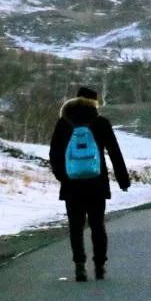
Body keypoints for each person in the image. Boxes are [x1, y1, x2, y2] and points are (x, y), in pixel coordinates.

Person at [49, 87, 130, 282]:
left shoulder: (64, 123)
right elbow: (114, 152)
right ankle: (100, 266)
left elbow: (54, 154)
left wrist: (63, 176)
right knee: (97, 225)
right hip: (96, 183)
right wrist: (123, 180)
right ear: (95, 103)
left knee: (76, 226)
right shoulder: (101, 123)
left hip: (72, 185)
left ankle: (79, 266)